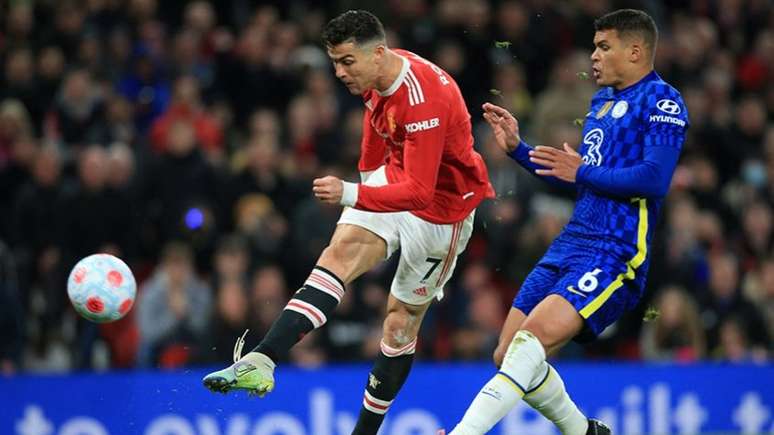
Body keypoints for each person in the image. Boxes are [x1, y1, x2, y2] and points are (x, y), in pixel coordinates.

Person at [202, 10, 494, 435]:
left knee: (398, 325)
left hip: (442, 212)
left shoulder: (423, 98)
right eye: (334, 62)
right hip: (396, 180)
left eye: (346, 62)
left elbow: (421, 192)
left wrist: (350, 194)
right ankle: (262, 360)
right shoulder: (376, 75)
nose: (338, 73)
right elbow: (375, 133)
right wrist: (365, 183)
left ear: (378, 53)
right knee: (337, 254)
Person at [447, 9, 688, 435]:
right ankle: (585, 432)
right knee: (506, 355)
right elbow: (579, 174)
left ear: (635, 51)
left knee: (530, 344)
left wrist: (581, 172)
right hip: (571, 241)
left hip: (616, 249)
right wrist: (520, 150)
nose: (592, 56)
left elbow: (655, 178)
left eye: (603, 46)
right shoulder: (601, 102)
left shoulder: (662, 101)